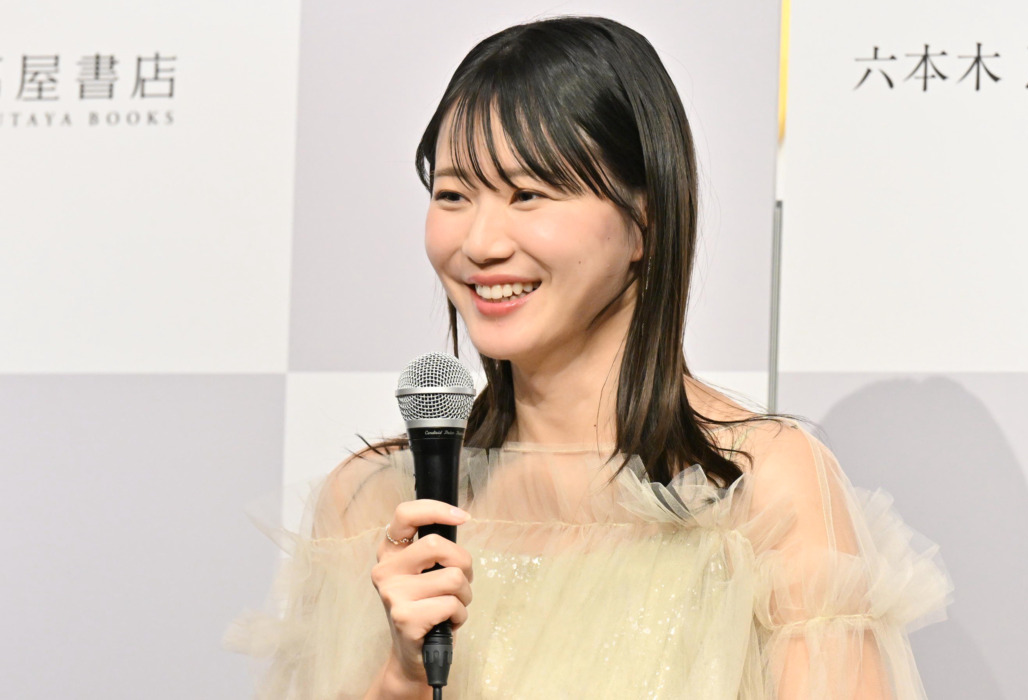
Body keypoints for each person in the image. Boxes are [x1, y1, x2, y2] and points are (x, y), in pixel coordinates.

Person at [226, 16, 951, 699]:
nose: (480, 243)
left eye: (528, 194)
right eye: (452, 195)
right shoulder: (374, 503)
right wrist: (402, 679)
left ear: (644, 219)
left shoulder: (757, 491)